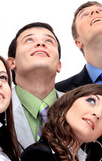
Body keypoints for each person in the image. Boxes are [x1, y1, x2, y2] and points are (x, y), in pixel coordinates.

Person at [21, 84, 102, 161]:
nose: (98, 114)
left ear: (101, 134)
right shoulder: (38, 154)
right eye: (91, 101)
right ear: (66, 105)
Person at [6, 22, 64, 150]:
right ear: (11, 63)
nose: (40, 44)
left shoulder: (79, 107)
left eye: (49, 41)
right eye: (29, 40)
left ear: (59, 65)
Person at [56, 1, 102, 92]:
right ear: (78, 42)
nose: (94, 12)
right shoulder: (59, 91)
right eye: (84, 15)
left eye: (101, 10)